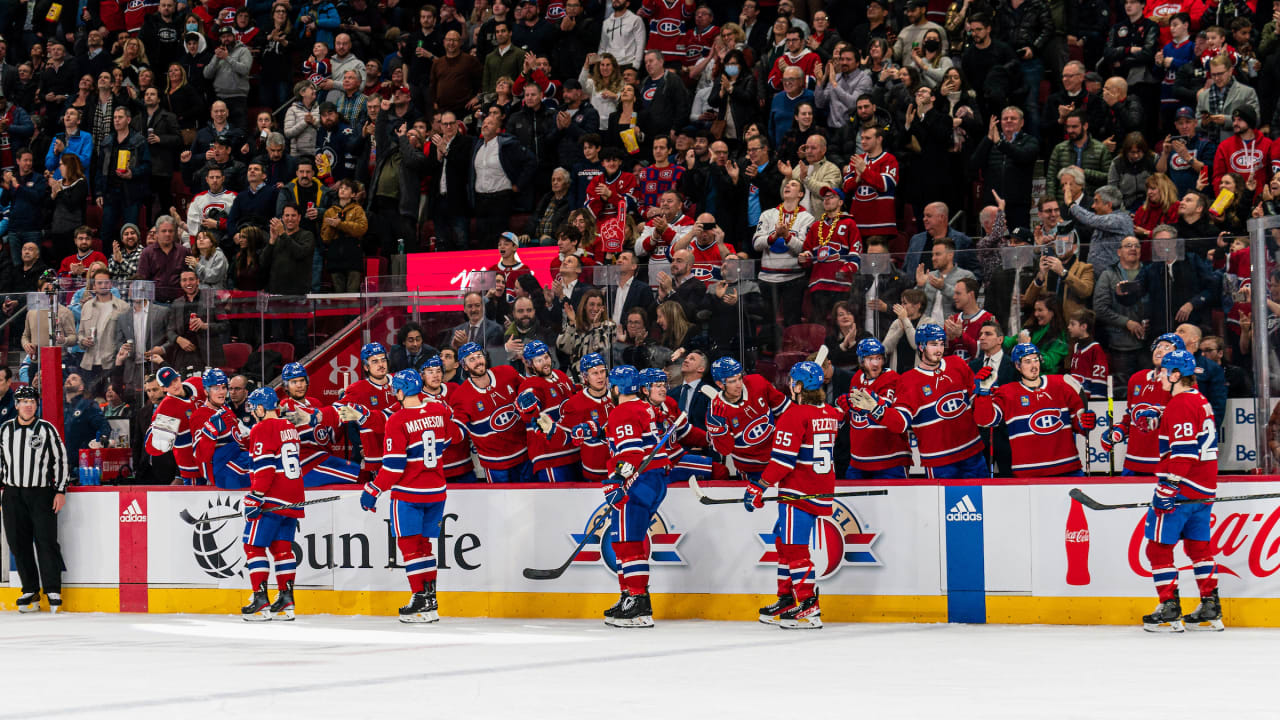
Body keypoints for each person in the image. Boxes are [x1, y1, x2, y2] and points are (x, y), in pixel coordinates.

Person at [360, 369, 464, 623]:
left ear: (400, 391)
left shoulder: (396, 420)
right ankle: (430, 600)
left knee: (410, 547)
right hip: (437, 491)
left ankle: (419, 599)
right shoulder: (439, 410)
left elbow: (394, 466)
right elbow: (453, 437)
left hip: (410, 493)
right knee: (425, 546)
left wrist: (372, 490)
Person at [745, 361, 841, 629]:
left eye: (792, 381)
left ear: (799, 386)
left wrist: (759, 486)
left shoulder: (795, 415)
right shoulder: (830, 413)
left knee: (795, 549)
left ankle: (808, 606)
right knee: (782, 540)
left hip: (796, 494)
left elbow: (782, 463)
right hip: (820, 491)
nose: (789, 385)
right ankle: (788, 598)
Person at [1139, 349, 1223, 632]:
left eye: (1164, 371)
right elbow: (1191, 428)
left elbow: (1185, 452)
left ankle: (1169, 607)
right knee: (1198, 548)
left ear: (1176, 375)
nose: (1160, 375)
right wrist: (1162, 413)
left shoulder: (1180, 405)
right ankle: (1210, 605)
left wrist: (1168, 488)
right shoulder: (1199, 400)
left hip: (1183, 490)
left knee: (1158, 549)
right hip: (1204, 489)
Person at [850, 324, 987, 478]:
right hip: (939, 461)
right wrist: (876, 409)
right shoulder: (908, 380)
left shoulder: (957, 363)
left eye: (942, 343)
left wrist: (984, 393)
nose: (939, 349)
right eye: (933, 344)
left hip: (973, 454)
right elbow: (900, 424)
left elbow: (982, 416)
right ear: (921, 347)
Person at [601, 365, 671, 628]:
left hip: (638, 482)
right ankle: (629, 595)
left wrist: (616, 483)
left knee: (628, 542)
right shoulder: (643, 408)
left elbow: (630, 454)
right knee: (625, 539)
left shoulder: (622, 411)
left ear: (616, 388)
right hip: (652, 481)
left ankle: (639, 604)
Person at [973, 342, 1095, 476]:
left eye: (1036, 360)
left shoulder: (1061, 384)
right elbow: (984, 421)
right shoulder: (1007, 393)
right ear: (1017, 366)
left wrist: (1085, 422)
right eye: (1027, 361)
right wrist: (984, 393)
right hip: (1028, 475)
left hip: (1068, 469)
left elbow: (1080, 424)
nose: (1033, 366)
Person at [0, 386, 70, 613]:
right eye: (23, 401)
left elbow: (60, 460)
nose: (28, 405)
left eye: (32, 401)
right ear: (17, 405)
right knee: (18, 543)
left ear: (36, 404)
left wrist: (60, 490)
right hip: (12, 494)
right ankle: (30, 589)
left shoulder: (47, 430)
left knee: (46, 541)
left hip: (41, 494)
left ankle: (52, 589)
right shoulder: (5, 430)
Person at [240, 386, 305, 621]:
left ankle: (260, 601)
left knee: (253, 547)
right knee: (282, 550)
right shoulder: (290, 427)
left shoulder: (261, 428)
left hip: (271, 498)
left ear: (259, 408)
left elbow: (265, 468)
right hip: (293, 498)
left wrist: (255, 495)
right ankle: (286, 601)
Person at [449, 343, 531, 483]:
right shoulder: (460, 396)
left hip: (524, 455)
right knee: (501, 504)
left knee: (531, 501)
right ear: (465, 366)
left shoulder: (507, 372)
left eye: (479, 356)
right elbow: (457, 434)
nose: (478, 361)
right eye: (471, 359)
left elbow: (530, 388)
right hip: (495, 464)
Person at [1102, 333, 1182, 474]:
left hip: (1163, 464)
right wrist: (1120, 429)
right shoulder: (1137, 379)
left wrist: (1161, 414)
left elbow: (1185, 419)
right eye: (1158, 346)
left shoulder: (1182, 383)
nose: (1159, 350)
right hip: (1132, 463)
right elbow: (1131, 415)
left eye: (1167, 347)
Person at [275, 363, 361, 486]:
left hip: (323, 459)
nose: (299, 385)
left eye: (302, 380)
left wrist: (342, 410)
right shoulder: (285, 406)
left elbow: (331, 437)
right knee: (357, 473)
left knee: (360, 471)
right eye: (294, 382)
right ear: (286, 386)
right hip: (305, 465)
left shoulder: (315, 403)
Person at [331, 342, 397, 481]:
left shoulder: (400, 381)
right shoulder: (358, 390)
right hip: (372, 453)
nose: (381, 364)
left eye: (383, 359)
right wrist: (313, 417)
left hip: (399, 452)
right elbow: (343, 417)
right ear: (366, 367)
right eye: (375, 361)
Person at [515, 340, 579, 482]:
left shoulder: (560, 376)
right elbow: (530, 414)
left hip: (573, 452)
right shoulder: (530, 384)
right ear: (530, 364)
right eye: (539, 360)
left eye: (546, 357)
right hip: (550, 457)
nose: (545, 362)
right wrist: (529, 409)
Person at [190, 368, 254, 489]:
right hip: (220, 472)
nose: (221, 392)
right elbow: (201, 456)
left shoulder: (227, 410)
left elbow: (238, 441)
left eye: (224, 387)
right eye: (216, 388)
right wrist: (211, 433)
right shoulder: (199, 415)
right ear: (206, 391)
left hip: (237, 461)